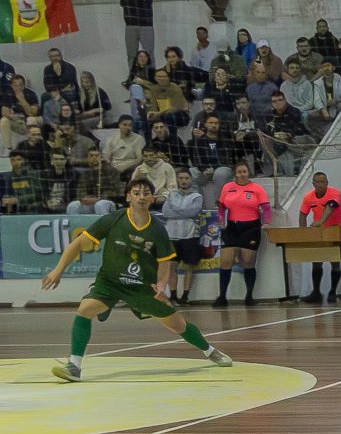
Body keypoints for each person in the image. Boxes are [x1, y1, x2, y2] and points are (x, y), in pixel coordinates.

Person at [41, 177, 232, 382]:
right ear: (128, 197)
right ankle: (74, 367)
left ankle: (209, 350)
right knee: (85, 309)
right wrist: (58, 270)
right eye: (136, 192)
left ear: (152, 199)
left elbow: (165, 263)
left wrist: (161, 285)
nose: (141, 197)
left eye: (145, 193)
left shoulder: (157, 229)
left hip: (141, 287)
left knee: (177, 325)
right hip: (110, 282)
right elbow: (77, 244)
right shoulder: (113, 219)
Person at [214, 162, 272, 307]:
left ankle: (249, 296)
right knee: (226, 261)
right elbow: (221, 207)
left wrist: (267, 222)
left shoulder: (256, 189)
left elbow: (266, 208)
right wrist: (221, 220)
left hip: (251, 227)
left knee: (248, 261)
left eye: (244, 171)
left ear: (248, 172)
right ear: (235, 173)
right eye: (239, 172)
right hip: (231, 227)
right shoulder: (227, 187)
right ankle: (222, 297)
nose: (242, 174)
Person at [296, 171, 341, 304]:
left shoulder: (335, 193)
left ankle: (333, 291)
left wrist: (320, 221)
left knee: (335, 261)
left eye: (323, 182)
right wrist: (303, 232)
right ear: (313, 183)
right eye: (317, 182)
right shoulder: (308, 197)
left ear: (327, 183)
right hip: (318, 233)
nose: (320, 184)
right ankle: (316, 292)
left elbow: (330, 207)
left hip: (335, 229)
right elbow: (302, 214)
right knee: (316, 261)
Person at [162, 168, 204, 305]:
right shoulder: (171, 194)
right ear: (177, 180)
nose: (184, 181)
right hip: (171, 236)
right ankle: (173, 295)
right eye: (181, 178)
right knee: (171, 267)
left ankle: (185, 296)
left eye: (186, 178)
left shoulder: (197, 196)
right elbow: (166, 213)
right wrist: (182, 212)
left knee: (189, 268)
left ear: (191, 179)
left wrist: (176, 209)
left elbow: (192, 212)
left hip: (190, 235)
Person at [119, 0, 154, 67]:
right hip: (130, 25)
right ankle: (132, 76)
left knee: (149, 53)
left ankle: (151, 75)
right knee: (131, 53)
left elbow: (145, 1)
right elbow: (122, 3)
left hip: (146, 25)